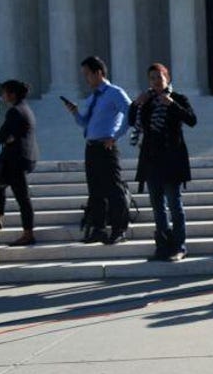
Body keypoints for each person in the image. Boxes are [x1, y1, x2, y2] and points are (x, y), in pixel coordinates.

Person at [130, 63, 197, 262]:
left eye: (159, 77)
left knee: (175, 205)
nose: (156, 81)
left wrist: (172, 105)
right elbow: (131, 122)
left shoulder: (177, 99)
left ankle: (179, 245)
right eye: (152, 78)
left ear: (167, 78)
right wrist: (135, 104)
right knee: (158, 207)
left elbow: (192, 120)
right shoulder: (147, 101)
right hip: (151, 160)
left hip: (172, 160)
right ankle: (163, 245)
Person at [66, 55, 132, 245]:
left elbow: (130, 112)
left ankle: (119, 229)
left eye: (87, 74)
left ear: (99, 73)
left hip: (106, 146)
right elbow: (84, 122)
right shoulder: (92, 97)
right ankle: (99, 229)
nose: (86, 78)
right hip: (91, 146)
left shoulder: (114, 92)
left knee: (114, 188)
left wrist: (116, 135)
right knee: (95, 190)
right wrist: (74, 112)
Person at [0, 79, 39, 247]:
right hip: (21, 158)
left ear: (12, 94)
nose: (3, 95)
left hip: (16, 160)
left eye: (5, 92)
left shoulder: (15, 111)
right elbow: (9, 136)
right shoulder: (26, 109)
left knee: (22, 197)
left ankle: (28, 233)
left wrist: (7, 137)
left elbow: (1, 136)